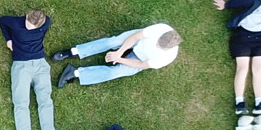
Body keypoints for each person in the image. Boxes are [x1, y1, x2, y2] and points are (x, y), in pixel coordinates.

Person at [0, 10, 66, 130]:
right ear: (26, 16)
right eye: (28, 24)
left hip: (40, 63)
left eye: (32, 27)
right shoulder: (16, 23)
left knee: (45, 98)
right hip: (21, 65)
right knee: (21, 101)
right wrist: (8, 39)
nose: (29, 28)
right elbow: (3, 21)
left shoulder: (45, 23)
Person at [53, 23, 182, 88]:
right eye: (158, 42)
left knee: (117, 72)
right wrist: (119, 52)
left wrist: (119, 59)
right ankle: (74, 52)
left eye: (160, 46)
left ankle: (75, 73)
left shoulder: (167, 57)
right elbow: (136, 36)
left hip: (140, 59)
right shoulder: (161, 29)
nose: (157, 45)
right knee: (113, 42)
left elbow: (141, 64)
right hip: (136, 40)